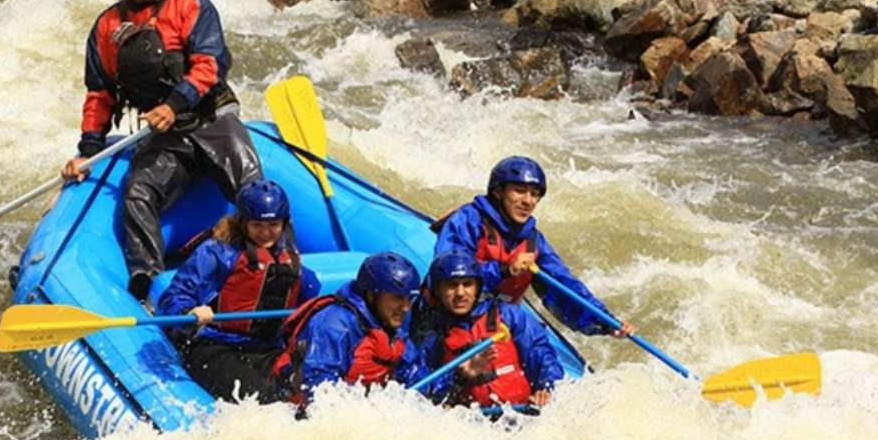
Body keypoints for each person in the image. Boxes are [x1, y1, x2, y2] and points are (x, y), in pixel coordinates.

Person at [60, 0, 261, 300]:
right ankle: (147, 284)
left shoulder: (191, 6)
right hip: (164, 137)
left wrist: (174, 103)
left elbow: (208, 65)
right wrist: (87, 152)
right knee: (138, 192)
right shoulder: (107, 26)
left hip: (212, 119)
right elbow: (100, 95)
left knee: (256, 192)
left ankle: (276, 269)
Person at [433, 155, 635, 338]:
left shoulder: (533, 241)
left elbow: (564, 287)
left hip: (499, 321)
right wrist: (505, 270)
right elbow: (447, 275)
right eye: (519, 191)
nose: (527, 201)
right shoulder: (468, 221)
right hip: (448, 318)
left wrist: (606, 322)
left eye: (534, 194)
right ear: (497, 192)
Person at [157, 179, 321, 403]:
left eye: (273, 225)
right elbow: (173, 297)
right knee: (263, 401)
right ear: (243, 223)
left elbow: (309, 303)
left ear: (284, 223)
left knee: (305, 393)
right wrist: (190, 312)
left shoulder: (291, 258)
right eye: (257, 226)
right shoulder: (217, 252)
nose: (266, 233)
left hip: (267, 349)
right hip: (215, 346)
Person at [405, 251, 563, 408]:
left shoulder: (508, 316)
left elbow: (541, 354)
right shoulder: (433, 338)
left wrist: (547, 387)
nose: (460, 293)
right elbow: (425, 393)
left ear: (477, 288)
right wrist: (460, 376)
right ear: (438, 290)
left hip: (523, 412)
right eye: (452, 285)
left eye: (467, 284)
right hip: (475, 424)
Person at [271, 251, 421, 403]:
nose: (405, 307)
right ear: (371, 295)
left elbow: (413, 371)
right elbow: (318, 386)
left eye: (410, 299)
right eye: (398, 298)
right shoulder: (334, 325)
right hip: (301, 413)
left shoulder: (390, 326)